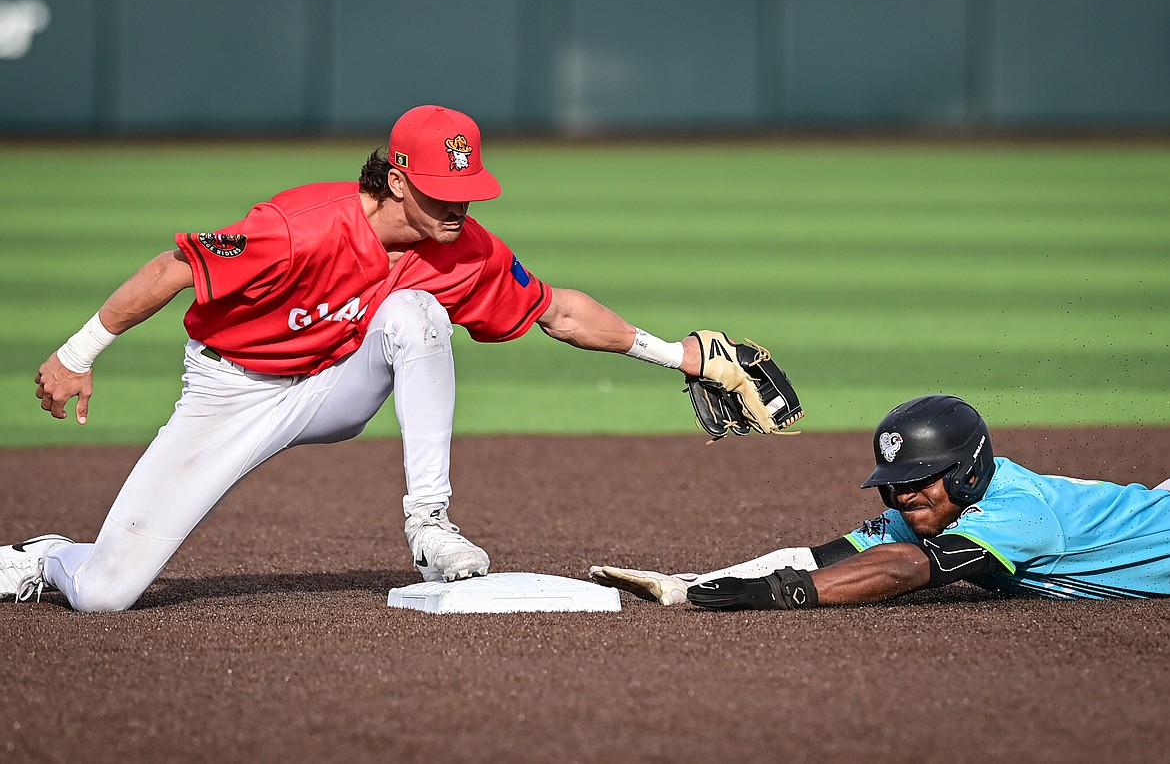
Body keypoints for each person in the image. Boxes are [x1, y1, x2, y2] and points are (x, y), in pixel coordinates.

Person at [0, 104, 715, 611]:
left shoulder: (461, 246)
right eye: (446, 192)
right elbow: (170, 268)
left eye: (470, 191)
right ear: (398, 180)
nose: (461, 209)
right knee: (103, 595)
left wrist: (681, 357)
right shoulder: (298, 226)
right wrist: (77, 352)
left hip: (331, 385)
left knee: (417, 313)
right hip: (227, 392)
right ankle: (49, 555)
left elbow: (556, 309)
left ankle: (430, 524)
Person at [590, 394, 1170, 610]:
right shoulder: (924, 507)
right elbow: (825, 556)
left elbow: (915, 567)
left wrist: (782, 593)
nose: (905, 495)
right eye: (896, 482)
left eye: (923, 479)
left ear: (969, 472)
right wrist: (689, 583)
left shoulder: (1018, 513)